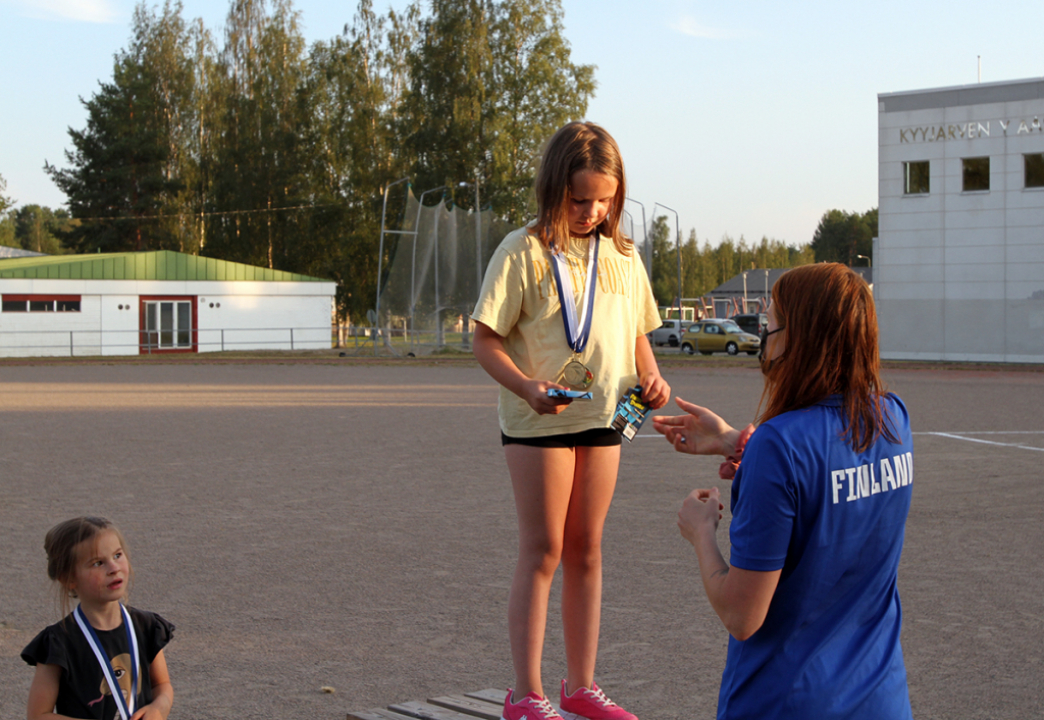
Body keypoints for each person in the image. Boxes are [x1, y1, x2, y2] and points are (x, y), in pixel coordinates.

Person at [653, 263, 915, 720]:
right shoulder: (893, 417)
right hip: (880, 698)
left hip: (787, 702)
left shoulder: (779, 445)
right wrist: (739, 443)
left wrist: (701, 534)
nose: (765, 337)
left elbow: (741, 615)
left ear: (803, 337)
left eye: (771, 324)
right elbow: (832, 471)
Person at [472, 121, 670, 720]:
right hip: (538, 421)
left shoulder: (625, 255)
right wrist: (526, 386)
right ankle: (526, 695)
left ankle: (580, 687)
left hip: (608, 417)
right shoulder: (521, 250)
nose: (591, 211)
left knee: (588, 549)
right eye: (578, 198)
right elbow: (485, 339)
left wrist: (653, 378)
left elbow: (635, 332)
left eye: (604, 200)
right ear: (553, 186)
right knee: (544, 548)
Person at [23, 517, 174, 720]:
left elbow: (161, 685)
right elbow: (38, 715)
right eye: (98, 563)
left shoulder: (146, 627)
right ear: (69, 578)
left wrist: (159, 708)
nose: (113, 568)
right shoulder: (58, 642)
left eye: (117, 555)